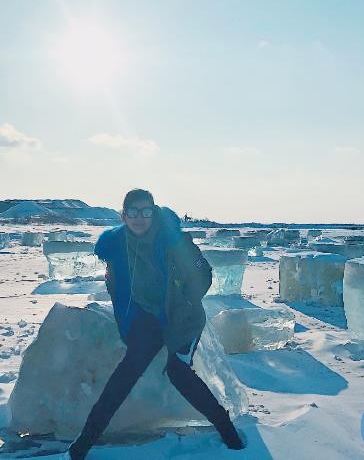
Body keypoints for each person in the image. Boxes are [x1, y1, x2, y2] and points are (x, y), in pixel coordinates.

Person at [68, 188, 244, 459]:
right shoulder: (116, 246)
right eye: (133, 212)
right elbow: (118, 289)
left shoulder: (174, 241)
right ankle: (84, 441)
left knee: (178, 371)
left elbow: (203, 275)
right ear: (123, 215)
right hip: (148, 317)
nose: (140, 218)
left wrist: (184, 302)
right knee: (125, 374)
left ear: (153, 212)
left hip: (182, 317)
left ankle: (226, 428)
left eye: (146, 212)